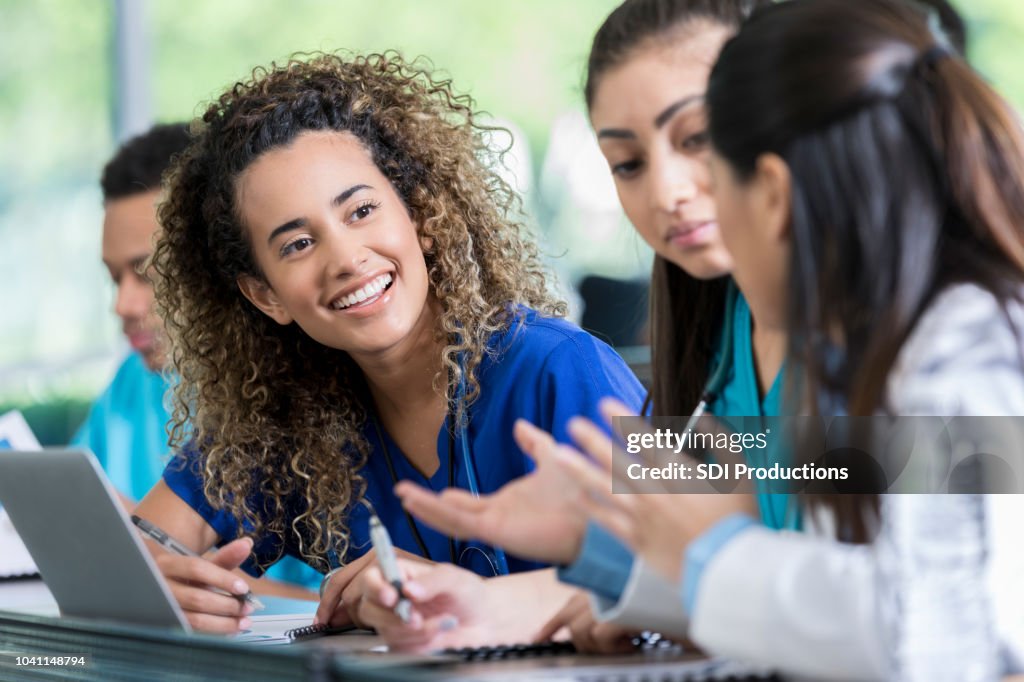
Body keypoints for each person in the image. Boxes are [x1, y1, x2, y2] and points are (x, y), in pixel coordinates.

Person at [397, 0, 1024, 677]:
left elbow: (944, 629)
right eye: (628, 162)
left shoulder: (960, 341)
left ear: (775, 180)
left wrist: (673, 555)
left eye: (702, 144)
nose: (673, 192)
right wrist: (609, 556)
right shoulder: (728, 337)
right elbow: (804, 572)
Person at [133, 51, 646, 635]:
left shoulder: (564, 367)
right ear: (264, 295)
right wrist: (164, 587)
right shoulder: (287, 421)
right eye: (298, 244)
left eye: (363, 210)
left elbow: (695, 560)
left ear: (421, 217)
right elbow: (136, 553)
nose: (347, 259)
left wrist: (464, 597)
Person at [72, 123, 323, 592]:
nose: (122, 305)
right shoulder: (133, 382)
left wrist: (171, 570)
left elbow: (346, 605)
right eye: (114, 279)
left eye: (147, 274)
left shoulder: (303, 399)